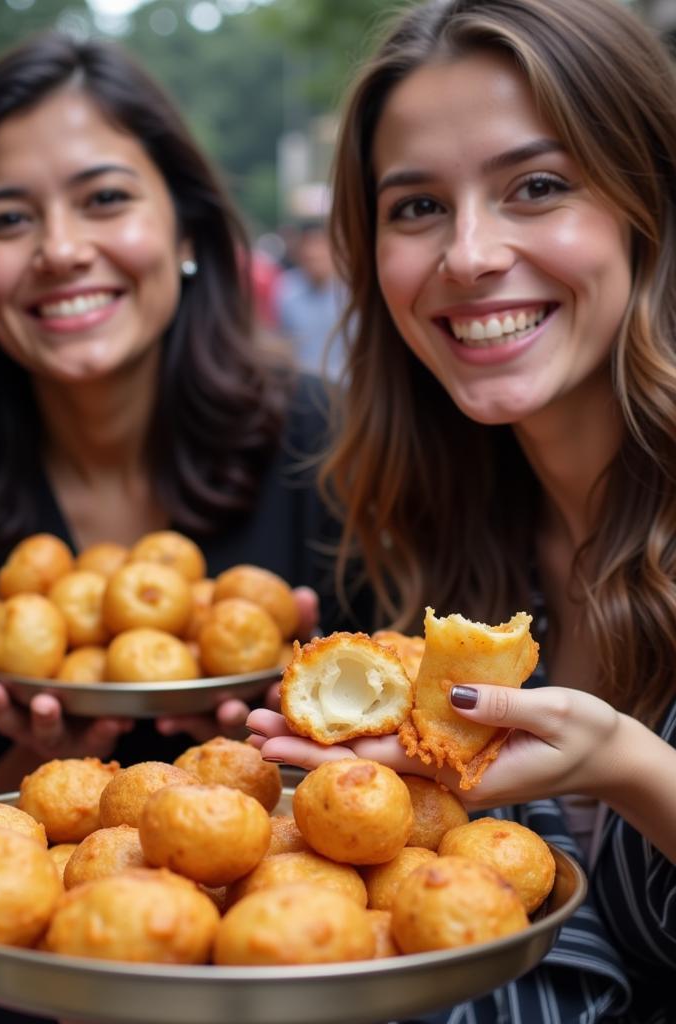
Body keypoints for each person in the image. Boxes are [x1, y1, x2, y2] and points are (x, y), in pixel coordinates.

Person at [248, 0, 676, 1020]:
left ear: (645, 202)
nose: (469, 254)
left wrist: (630, 769)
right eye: (415, 208)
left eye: (536, 186)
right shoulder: (416, 544)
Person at [0, 29, 364, 827]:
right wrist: (41, 756)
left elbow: (405, 794)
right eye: (8, 219)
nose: (62, 250)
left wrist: (307, 726)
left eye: (105, 199)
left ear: (185, 231)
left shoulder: (327, 445)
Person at [275, 219, 350, 379]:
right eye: (308, 246)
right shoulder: (284, 289)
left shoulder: (352, 292)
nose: (314, 253)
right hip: (301, 383)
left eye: (320, 246)